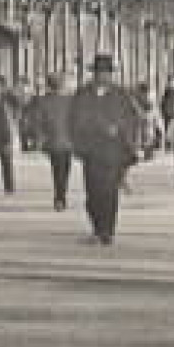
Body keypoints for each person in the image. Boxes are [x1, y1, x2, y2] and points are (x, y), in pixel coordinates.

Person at [69, 54, 140, 244]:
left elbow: (131, 118)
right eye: (99, 73)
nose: (103, 76)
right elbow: (75, 118)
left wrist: (120, 130)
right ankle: (97, 227)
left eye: (106, 73)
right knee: (92, 192)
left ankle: (107, 230)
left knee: (109, 191)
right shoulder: (83, 94)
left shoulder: (121, 94)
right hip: (91, 150)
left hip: (113, 150)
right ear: (94, 74)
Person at [31, 75, 76, 210]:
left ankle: (59, 197)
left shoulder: (43, 101)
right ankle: (61, 196)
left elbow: (37, 121)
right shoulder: (70, 101)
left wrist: (39, 138)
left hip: (53, 140)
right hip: (68, 141)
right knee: (65, 169)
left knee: (57, 169)